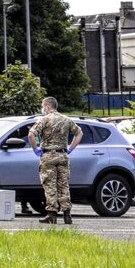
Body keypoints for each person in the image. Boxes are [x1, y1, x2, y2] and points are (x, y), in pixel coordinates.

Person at [27, 96, 83, 225]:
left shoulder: (44, 120)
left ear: (47, 106)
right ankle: (67, 214)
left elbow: (31, 134)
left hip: (48, 156)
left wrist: (35, 149)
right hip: (63, 155)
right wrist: (70, 149)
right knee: (63, 184)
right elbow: (79, 133)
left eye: (43, 106)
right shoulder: (66, 120)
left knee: (50, 185)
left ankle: (52, 214)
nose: (42, 109)